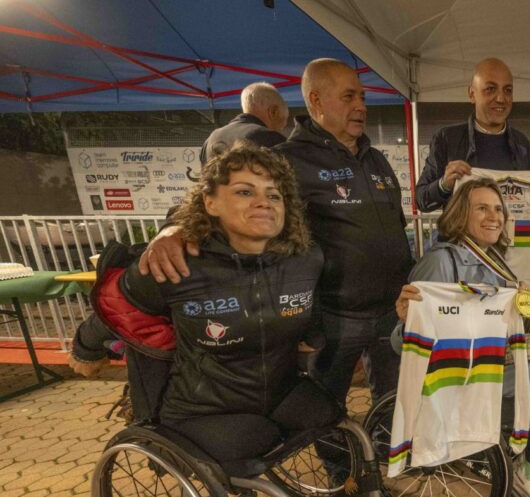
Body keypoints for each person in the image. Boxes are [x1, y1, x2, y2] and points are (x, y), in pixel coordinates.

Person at [137, 59, 414, 416]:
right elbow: (217, 196)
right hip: (333, 317)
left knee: (393, 403)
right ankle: (336, 455)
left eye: (362, 96)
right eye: (348, 97)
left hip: (391, 311)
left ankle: (382, 447)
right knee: (325, 410)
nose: (360, 105)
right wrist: (173, 228)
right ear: (315, 100)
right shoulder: (286, 159)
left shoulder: (375, 159)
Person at [68, 144, 337, 462]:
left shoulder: (305, 258)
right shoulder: (176, 263)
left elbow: (310, 307)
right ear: (211, 202)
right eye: (245, 192)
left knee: (330, 414)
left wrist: (313, 335)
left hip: (280, 391)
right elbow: (118, 306)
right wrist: (85, 347)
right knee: (256, 437)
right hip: (203, 407)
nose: (263, 202)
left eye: (275, 195)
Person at [394, 178, 530, 497]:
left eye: (498, 209)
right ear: (460, 214)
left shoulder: (495, 259)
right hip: (457, 377)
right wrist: (407, 319)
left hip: (488, 365)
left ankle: (529, 455)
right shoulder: (441, 262)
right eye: (482, 208)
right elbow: (401, 342)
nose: (493, 216)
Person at [415, 57, 530, 211]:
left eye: (507, 90)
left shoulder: (522, 144)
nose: (501, 98)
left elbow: (525, 202)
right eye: (490, 89)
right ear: (472, 94)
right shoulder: (447, 139)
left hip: (508, 228)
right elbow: (421, 200)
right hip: (461, 228)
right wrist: (444, 185)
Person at [199, 82, 289, 165]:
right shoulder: (270, 138)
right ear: (273, 112)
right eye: (282, 124)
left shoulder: (210, 139)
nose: (281, 130)